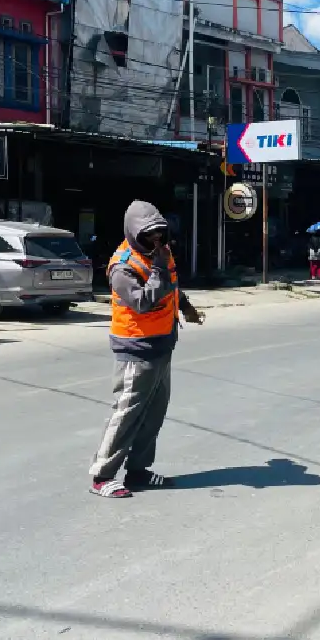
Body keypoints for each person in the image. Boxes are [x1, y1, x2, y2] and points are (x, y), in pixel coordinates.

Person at [88, 201, 204, 499]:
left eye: (159, 234)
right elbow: (143, 301)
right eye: (149, 235)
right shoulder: (123, 266)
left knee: (153, 414)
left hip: (162, 345)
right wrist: (158, 269)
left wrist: (187, 307)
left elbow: (172, 286)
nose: (156, 240)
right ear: (134, 232)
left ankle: (138, 471)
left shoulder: (159, 254)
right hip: (136, 350)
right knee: (126, 413)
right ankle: (102, 475)